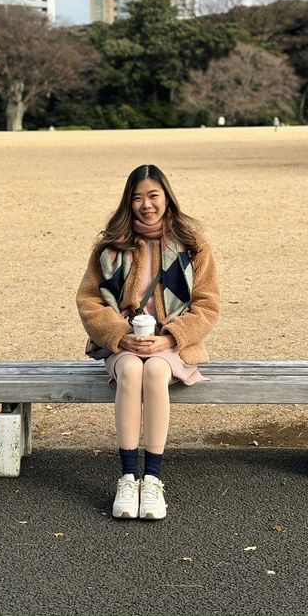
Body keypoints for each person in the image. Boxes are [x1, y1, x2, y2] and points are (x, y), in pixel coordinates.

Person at [76, 164, 220, 520]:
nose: (146, 204)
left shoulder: (193, 246)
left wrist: (171, 336)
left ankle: (152, 480)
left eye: (153, 196)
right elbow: (89, 300)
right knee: (129, 369)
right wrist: (119, 337)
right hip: (122, 342)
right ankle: (128, 477)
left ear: (167, 197)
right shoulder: (110, 248)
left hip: (172, 345)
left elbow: (207, 303)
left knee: (155, 371)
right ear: (129, 202)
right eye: (137, 197)